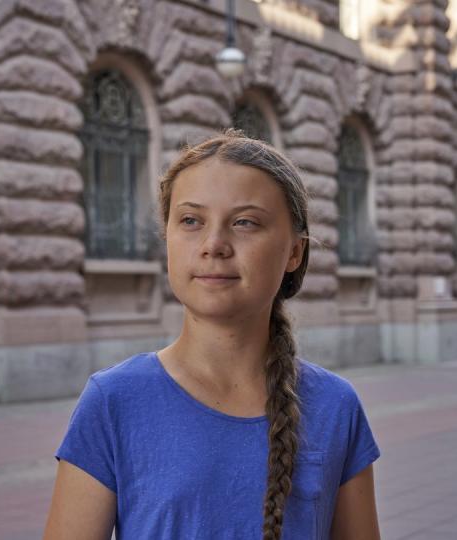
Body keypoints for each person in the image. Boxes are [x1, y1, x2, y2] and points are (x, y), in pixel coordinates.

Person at [43, 132, 381, 540]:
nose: (214, 244)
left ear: (294, 251)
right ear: (167, 237)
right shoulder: (113, 402)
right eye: (190, 221)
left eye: (245, 222)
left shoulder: (334, 406)